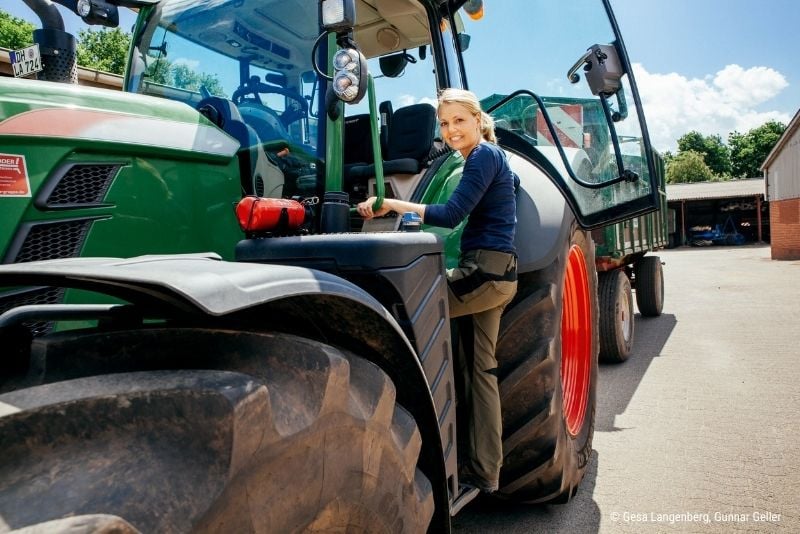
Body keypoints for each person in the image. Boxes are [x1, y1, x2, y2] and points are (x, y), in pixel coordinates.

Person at [357, 88, 518, 493]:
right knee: (481, 371)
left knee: (401, 315)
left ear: (478, 120)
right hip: (499, 275)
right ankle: (486, 473)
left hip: (484, 273)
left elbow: (450, 215)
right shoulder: (492, 160)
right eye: (444, 124)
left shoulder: (483, 156)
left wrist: (391, 206)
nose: (451, 130)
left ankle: (410, 455)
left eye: (459, 120)